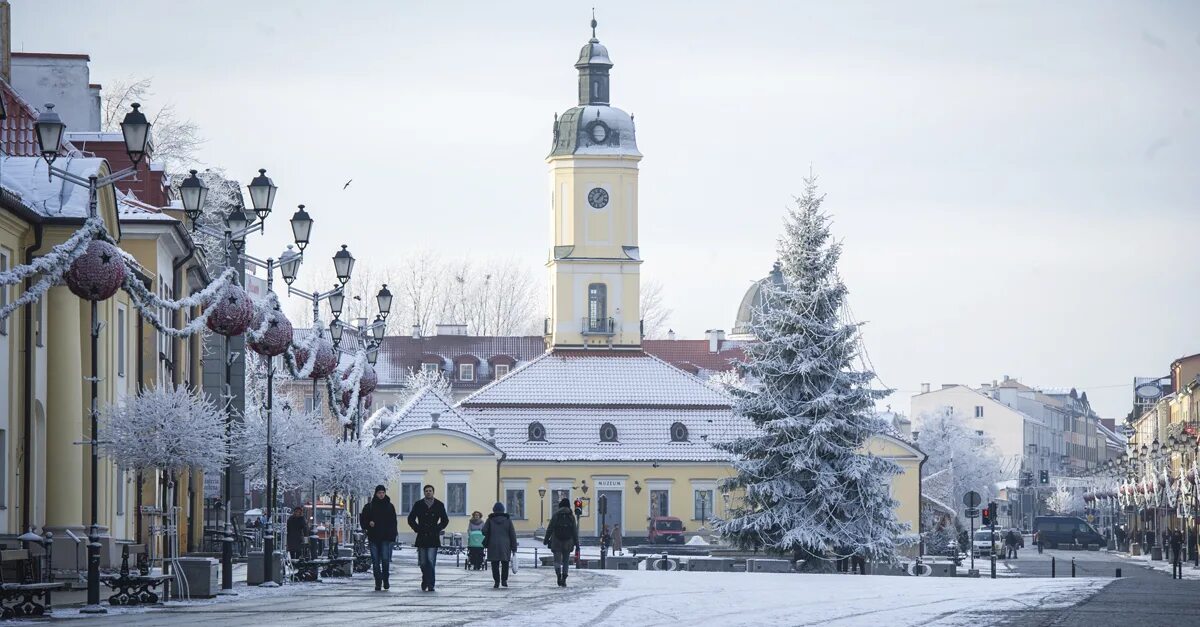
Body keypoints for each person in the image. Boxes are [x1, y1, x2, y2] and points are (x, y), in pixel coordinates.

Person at [407, 484, 449, 592]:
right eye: (426, 491)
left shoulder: (439, 504)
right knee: (422, 562)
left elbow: (445, 520)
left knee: (430, 561)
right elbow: (411, 518)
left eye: (430, 490)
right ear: (424, 492)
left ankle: (431, 584)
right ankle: (425, 579)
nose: (428, 492)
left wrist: (438, 528)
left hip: (433, 537)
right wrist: (417, 528)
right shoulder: (419, 504)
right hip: (421, 536)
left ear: (433, 492)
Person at [360, 484, 399, 591]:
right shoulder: (369, 507)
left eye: (383, 493)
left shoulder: (390, 506)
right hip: (373, 537)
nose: (381, 495)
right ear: (376, 494)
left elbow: (393, 522)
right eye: (379, 493)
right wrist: (369, 524)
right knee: (375, 561)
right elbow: (363, 520)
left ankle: (385, 579)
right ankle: (378, 581)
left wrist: (393, 536)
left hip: (386, 538)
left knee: (385, 560)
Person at [543, 498, 579, 587]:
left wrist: (546, 539)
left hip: (557, 541)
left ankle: (558, 576)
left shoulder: (556, 515)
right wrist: (577, 543)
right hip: (568, 541)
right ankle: (564, 578)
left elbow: (550, 528)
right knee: (566, 561)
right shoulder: (571, 516)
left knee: (557, 561)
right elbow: (574, 531)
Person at [482, 502, 518, 588]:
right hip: (506, 545)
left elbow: (484, 531)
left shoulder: (490, 520)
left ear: (494, 510)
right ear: (503, 510)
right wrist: (514, 547)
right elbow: (512, 534)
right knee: (505, 563)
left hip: (493, 544)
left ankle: (496, 581)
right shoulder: (508, 520)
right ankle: (504, 580)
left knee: (495, 564)